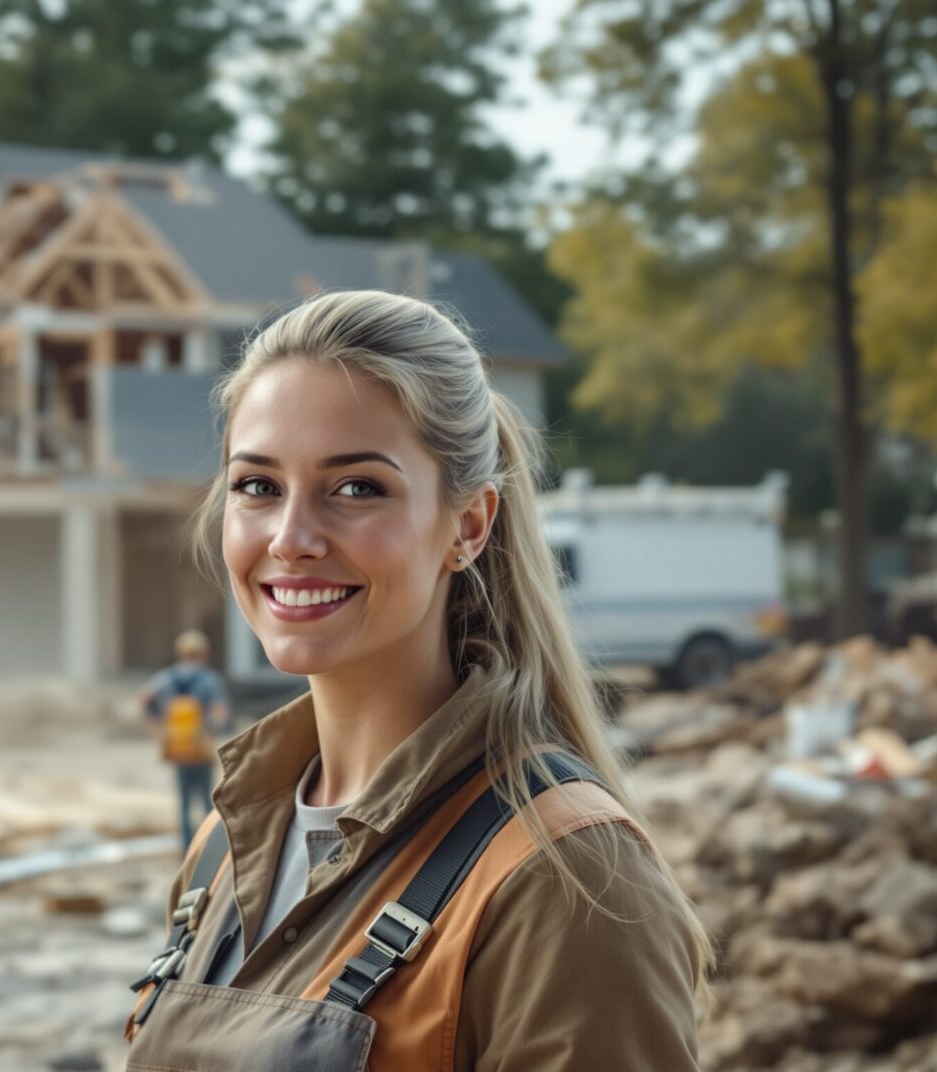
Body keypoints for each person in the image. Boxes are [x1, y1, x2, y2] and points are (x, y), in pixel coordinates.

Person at [124, 291, 709, 1070]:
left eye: (357, 487)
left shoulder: (567, 883)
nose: (291, 539)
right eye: (257, 487)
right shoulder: (223, 849)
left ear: (468, 525)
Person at [136, 629, 230, 849]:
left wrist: (158, 730)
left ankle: (187, 850)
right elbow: (219, 712)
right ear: (204, 653)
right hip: (201, 748)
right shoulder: (209, 679)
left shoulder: (166, 677)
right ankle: (207, 848)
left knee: (184, 803)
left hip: (177, 748)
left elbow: (142, 699)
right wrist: (210, 729)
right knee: (207, 802)